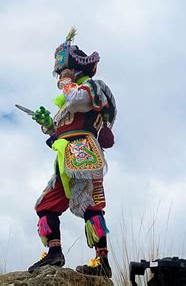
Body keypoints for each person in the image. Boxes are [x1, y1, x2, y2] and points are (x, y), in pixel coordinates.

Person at [27, 27, 117, 277]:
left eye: (64, 71)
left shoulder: (91, 88)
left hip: (84, 152)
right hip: (65, 157)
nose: (60, 76)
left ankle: (102, 261)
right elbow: (57, 129)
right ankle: (54, 252)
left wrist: (66, 81)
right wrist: (46, 123)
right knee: (45, 204)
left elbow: (78, 100)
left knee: (89, 204)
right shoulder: (69, 100)